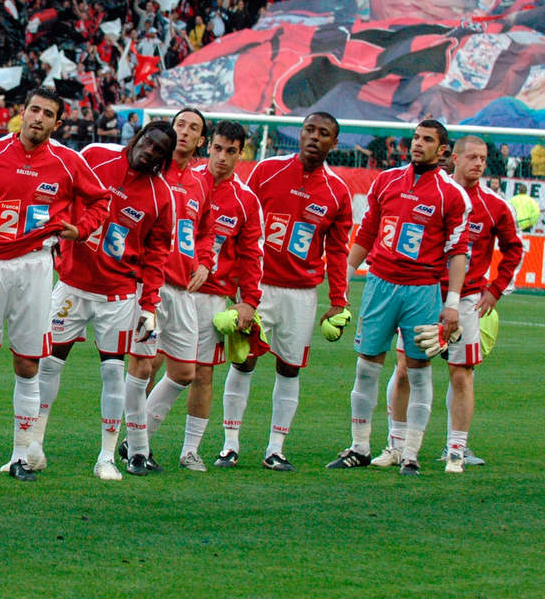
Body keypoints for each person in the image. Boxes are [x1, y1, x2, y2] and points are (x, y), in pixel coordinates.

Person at [0, 86, 109, 481]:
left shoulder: (69, 162)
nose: (38, 118)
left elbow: (101, 201)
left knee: (28, 363)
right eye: (33, 110)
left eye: (46, 113)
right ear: (22, 113)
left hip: (37, 268)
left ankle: (22, 455)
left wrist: (80, 229)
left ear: (58, 122)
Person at [33, 120, 175, 480]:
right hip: (72, 284)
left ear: (164, 159)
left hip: (118, 293)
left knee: (113, 372)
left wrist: (150, 305)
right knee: (49, 363)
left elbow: (158, 254)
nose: (150, 150)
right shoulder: (95, 156)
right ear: (137, 138)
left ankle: (106, 458)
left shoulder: (161, 196)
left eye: (159, 150)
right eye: (148, 142)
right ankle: (32, 446)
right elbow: (62, 191)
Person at [328, 119, 470, 475]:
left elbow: (457, 252)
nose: (417, 144)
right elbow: (367, 233)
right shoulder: (386, 180)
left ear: (443, 151)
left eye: (427, 140)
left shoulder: (451, 194)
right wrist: (342, 278)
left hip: (422, 291)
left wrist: (451, 303)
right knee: (366, 368)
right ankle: (359, 447)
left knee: (419, 373)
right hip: (380, 284)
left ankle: (410, 452)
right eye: (415, 138)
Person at [376, 136, 524, 472]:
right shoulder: (434, 194)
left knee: (461, 375)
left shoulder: (494, 205)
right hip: (424, 292)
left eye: (483, 159)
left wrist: (496, 289)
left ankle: (455, 449)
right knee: (404, 372)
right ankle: (396, 446)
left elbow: (514, 249)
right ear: (453, 158)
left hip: (469, 299)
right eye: (472, 157)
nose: (479, 164)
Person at [216, 112, 352, 470]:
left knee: (289, 368)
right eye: (309, 130)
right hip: (257, 287)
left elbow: (337, 251)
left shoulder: (338, 191)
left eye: (324, 133)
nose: (314, 137)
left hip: (302, 294)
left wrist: (338, 300)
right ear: (300, 132)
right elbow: (240, 226)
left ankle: (275, 448)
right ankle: (229, 444)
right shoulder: (266, 171)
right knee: (244, 361)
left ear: (333, 143)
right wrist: (237, 286)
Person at [128, 108, 213, 475]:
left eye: (193, 128)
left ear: (200, 141)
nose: (184, 131)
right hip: (150, 283)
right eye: (180, 124)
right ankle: (137, 451)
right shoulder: (150, 172)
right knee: (142, 366)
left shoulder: (199, 182)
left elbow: (206, 230)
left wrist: (206, 260)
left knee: (184, 373)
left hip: (182, 289)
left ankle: (133, 442)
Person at [178, 121, 263, 471]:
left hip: (212, 298)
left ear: (240, 153)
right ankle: (136, 442)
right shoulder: (185, 183)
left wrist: (248, 301)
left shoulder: (245, 200)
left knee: (202, 375)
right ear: (206, 146)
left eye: (231, 151)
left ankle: (190, 450)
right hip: (172, 289)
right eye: (217, 148)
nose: (223, 157)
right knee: (148, 364)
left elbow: (252, 255)